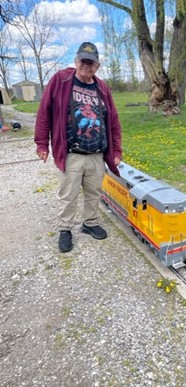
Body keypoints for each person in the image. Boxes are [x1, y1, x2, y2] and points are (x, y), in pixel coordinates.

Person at [35, 42, 122, 253]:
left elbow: (113, 121)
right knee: (68, 194)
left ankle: (90, 223)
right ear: (76, 61)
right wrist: (41, 143)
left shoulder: (102, 87)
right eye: (83, 61)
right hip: (72, 153)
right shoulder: (61, 80)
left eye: (91, 62)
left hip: (96, 154)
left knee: (94, 192)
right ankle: (65, 229)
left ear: (97, 66)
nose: (86, 65)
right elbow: (44, 112)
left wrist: (116, 150)